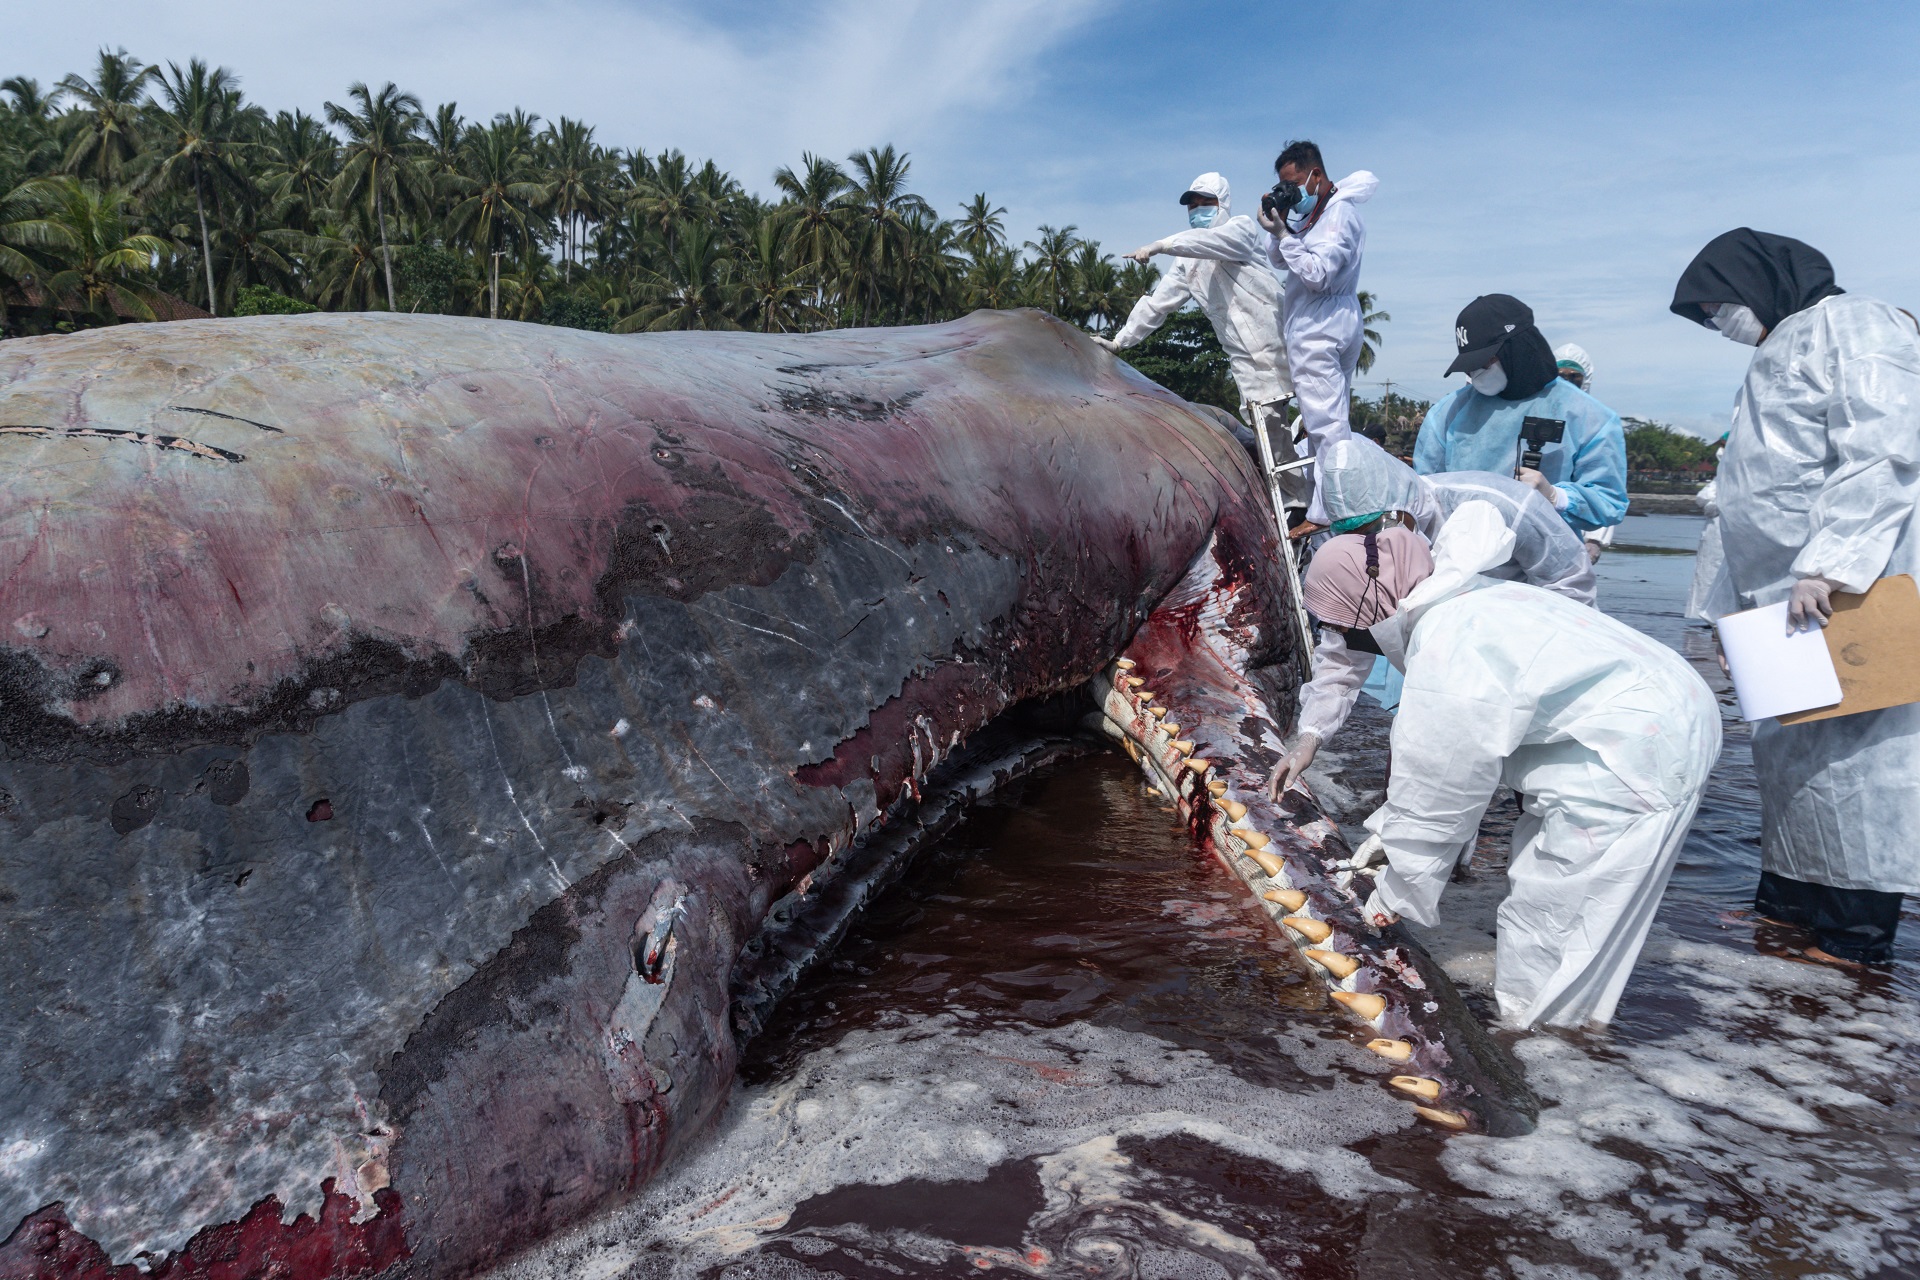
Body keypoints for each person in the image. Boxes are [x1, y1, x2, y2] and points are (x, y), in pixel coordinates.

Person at [1280, 504, 1721, 1027]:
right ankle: (1561, 1036)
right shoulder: (1469, 594)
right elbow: (1445, 762)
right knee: (1576, 901)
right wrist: (1384, 821)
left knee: (1557, 916)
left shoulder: (1449, 642)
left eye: (1341, 621)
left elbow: (1442, 783)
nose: (1342, 637)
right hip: (1652, 724)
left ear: (1376, 598)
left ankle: (1545, 1052)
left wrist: (1398, 888)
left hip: (1632, 753)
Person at [1673, 227, 1920, 968]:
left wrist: (1833, 562)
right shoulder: (1772, 356)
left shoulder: (1856, 324)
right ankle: (1786, 910)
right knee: (1789, 761)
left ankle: (1852, 940)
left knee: (1861, 764)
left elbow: (1883, 445)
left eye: (1722, 303)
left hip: (1848, 589)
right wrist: (1724, 606)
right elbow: (1747, 498)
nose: (1722, 320)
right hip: (1775, 602)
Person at [1274, 436, 1597, 790]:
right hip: (1434, 669)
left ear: (1396, 510)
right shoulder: (1360, 556)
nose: (1377, 549)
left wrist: (1529, 679)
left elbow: (1572, 591)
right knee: (1423, 776)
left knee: (1537, 778)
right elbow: (1343, 655)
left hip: (1525, 656)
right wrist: (1309, 738)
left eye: (1378, 533)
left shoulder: (1501, 504)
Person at [1102, 172, 1290, 454]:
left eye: (1206, 202)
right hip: (1242, 355)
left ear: (1222, 204)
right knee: (1265, 427)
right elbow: (1158, 304)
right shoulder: (1186, 262)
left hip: (1278, 340)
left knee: (1315, 412)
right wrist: (1120, 341)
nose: (1197, 210)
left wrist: (1160, 245)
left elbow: (1207, 242)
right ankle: (1293, 497)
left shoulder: (1241, 229)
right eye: (1193, 205)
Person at [1414, 295, 1628, 539]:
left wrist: (1556, 497)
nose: (1473, 372)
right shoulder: (1448, 412)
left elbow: (1609, 502)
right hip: (1459, 562)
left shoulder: (1591, 418)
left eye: (1483, 362)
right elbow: (1424, 492)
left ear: (1516, 349)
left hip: (1548, 570)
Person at [1243, 140, 1376, 526]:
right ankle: (1329, 506)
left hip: (1321, 324)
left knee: (1325, 426)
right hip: (1325, 319)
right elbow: (1279, 259)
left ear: (1315, 174)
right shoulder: (1316, 215)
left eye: (1295, 184)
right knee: (1328, 422)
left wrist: (1285, 237)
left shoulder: (1338, 216)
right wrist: (1277, 227)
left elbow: (1317, 275)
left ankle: (1330, 515)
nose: (1292, 192)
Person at [1553, 343, 1619, 562]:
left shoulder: (1598, 423)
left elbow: (1604, 484)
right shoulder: (1536, 411)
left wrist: (1595, 539)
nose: (1567, 381)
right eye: (1561, 374)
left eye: (1574, 376)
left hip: (1574, 525)